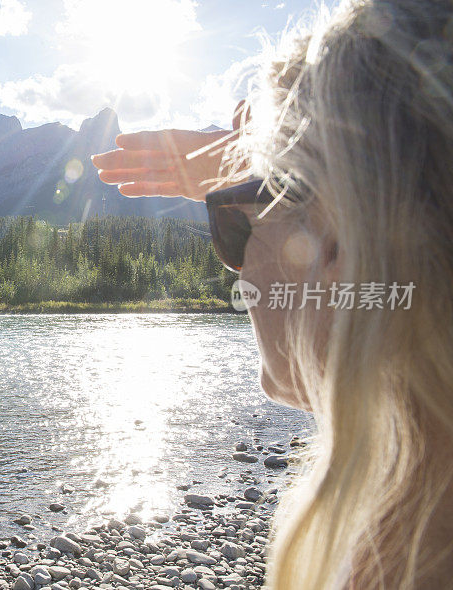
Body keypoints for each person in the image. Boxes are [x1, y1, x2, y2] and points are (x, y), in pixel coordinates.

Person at [92, 0, 453, 588]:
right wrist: (265, 187)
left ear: (336, 241)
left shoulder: (406, 558)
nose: (239, 273)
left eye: (232, 228)